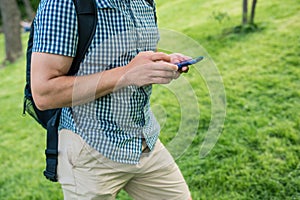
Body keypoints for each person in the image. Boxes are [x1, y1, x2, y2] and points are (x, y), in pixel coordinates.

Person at [31, 0, 192, 199]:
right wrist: (126, 73)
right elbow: (44, 93)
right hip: (90, 151)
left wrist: (160, 64)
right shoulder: (63, 3)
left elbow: (133, 60)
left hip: (144, 140)